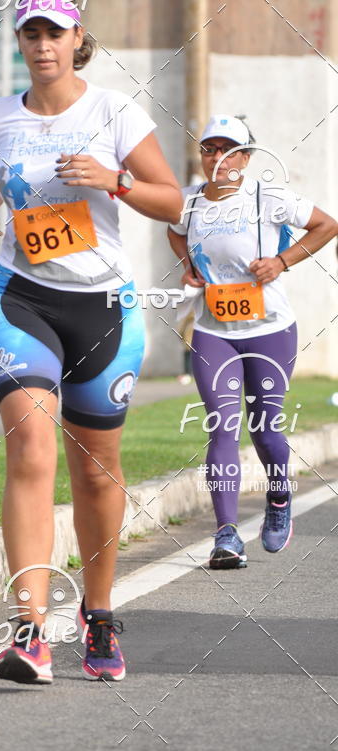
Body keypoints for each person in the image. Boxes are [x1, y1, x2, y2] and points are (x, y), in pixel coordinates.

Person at [0, 0, 183, 684]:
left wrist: (114, 180)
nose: (43, 45)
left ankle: (99, 611)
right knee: (30, 445)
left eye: (55, 33)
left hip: (102, 310)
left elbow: (173, 200)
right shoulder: (0, 116)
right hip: (18, 297)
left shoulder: (114, 111)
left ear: (76, 38)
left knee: (93, 469)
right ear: (20, 43)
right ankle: (29, 630)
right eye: (32, 34)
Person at [168, 114, 338, 570]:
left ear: (246, 157)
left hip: (271, 330)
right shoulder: (188, 202)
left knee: (265, 428)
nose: (217, 158)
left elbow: (326, 225)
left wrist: (282, 261)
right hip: (213, 331)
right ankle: (225, 535)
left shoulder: (270, 196)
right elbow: (174, 230)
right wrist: (188, 265)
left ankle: (279, 496)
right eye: (209, 149)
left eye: (229, 150)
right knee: (222, 427)